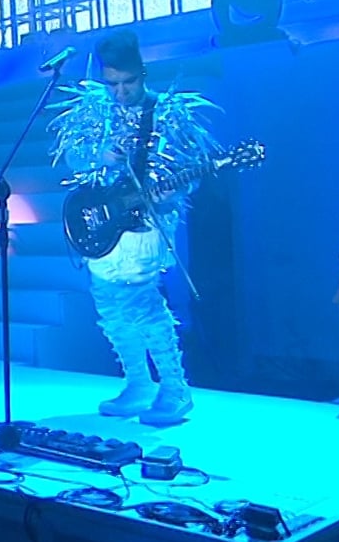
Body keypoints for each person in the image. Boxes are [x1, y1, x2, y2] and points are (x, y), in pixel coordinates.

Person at [50, 31, 220, 427]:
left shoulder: (165, 112)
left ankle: (175, 387)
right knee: (110, 306)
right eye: (112, 84)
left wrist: (173, 190)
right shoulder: (94, 111)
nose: (121, 92)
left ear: (142, 74)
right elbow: (73, 158)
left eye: (128, 82)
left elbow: (192, 170)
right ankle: (138, 382)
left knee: (141, 302)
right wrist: (100, 156)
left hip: (145, 226)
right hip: (105, 224)